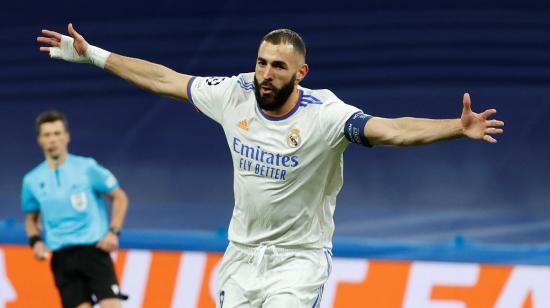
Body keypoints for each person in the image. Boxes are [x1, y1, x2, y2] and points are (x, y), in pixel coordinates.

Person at [37, 24, 504, 308]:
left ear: (301, 72)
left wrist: (454, 127)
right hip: (241, 256)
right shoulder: (234, 93)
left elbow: (393, 130)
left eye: (278, 67)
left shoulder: (327, 115)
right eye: (261, 63)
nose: (265, 74)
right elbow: (165, 79)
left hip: (298, 260)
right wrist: (93, 55)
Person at [21, 110, 129, 308]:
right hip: (62, 258)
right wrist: (35, 241)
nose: (52, 139)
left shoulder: (87, 168)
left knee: (112, 305)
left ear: (66, 137)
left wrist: (113, 232)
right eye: (47, 135)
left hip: (94, 252)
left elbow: (120, 197)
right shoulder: (32, 180)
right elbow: (31, 218)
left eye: (57, 133)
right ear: (40, 140)